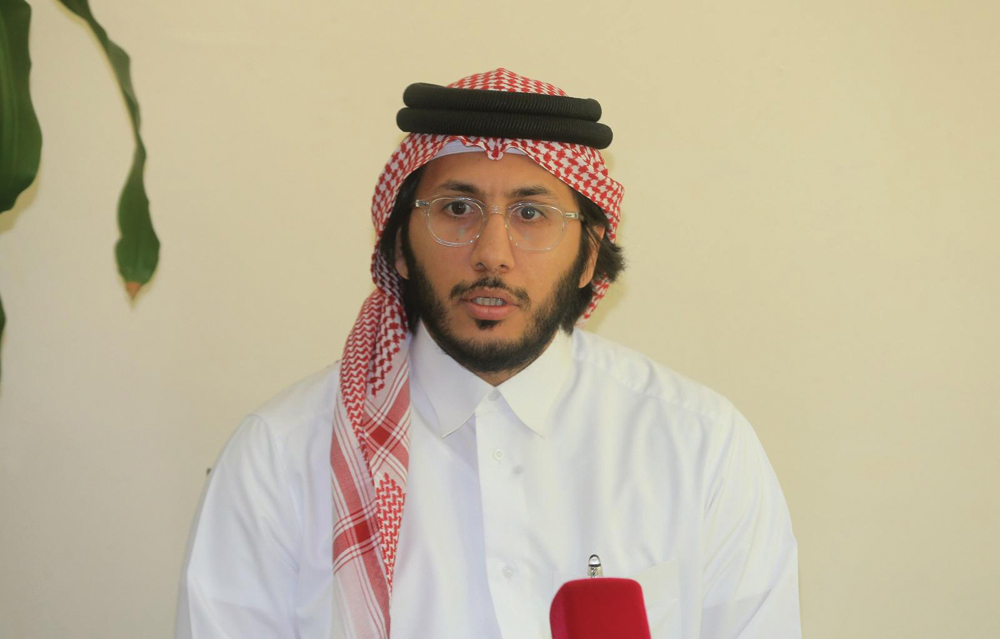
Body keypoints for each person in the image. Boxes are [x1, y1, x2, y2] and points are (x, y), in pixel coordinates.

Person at [176, 68, 801, 639]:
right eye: (456, 209)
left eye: (531, 213)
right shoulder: (282, 457)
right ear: (398, 247)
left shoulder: (700, 447)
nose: (492, 252)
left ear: (588, 256)